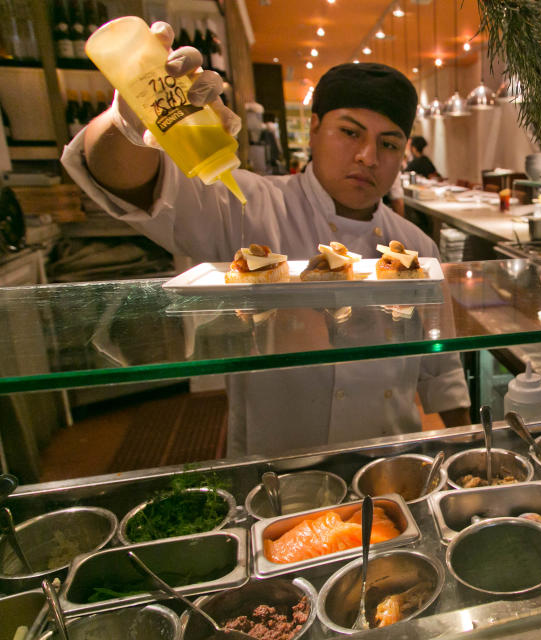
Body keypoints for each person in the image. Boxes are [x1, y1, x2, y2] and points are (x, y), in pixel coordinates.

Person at [61, 22, 470, 456]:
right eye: (350, 133)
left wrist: (470, 455)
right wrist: (128, 123)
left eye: (388, 144)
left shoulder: (415, 246)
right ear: (313, 129)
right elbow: (126, 181)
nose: (368, 157)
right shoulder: (250, 205)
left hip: (390, 469)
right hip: (278, 475)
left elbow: (441, 367)